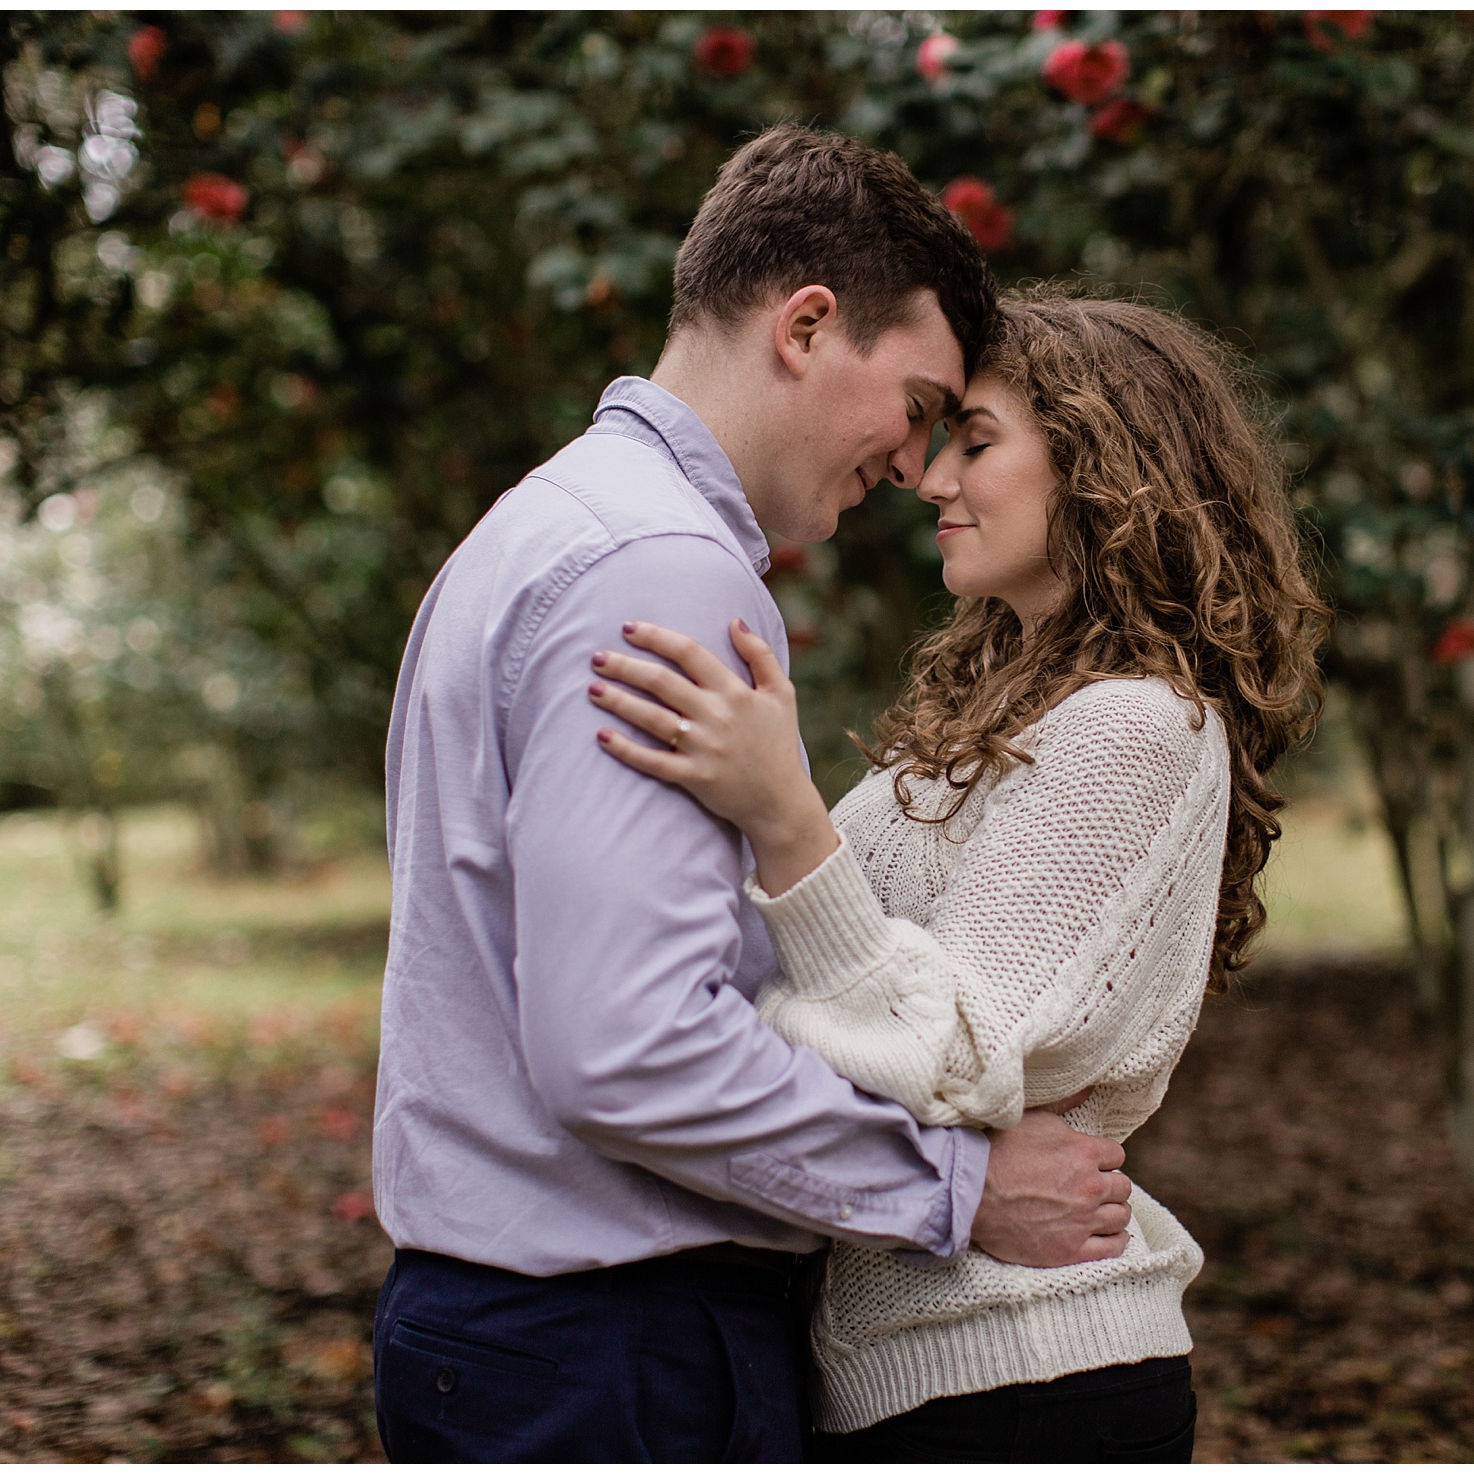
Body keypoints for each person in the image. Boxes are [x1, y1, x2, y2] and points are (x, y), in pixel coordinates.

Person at [369, 129, 1137, 1464]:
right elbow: (630, 1045)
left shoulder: (542, 525)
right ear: (806, 324)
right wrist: (957, 1187)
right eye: (915, 405)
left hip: (519, 1335)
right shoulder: (664, 572)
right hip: (612, 1355)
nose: (913, 465)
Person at [587, 292, 1330, 1460]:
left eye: (974, 442)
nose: (930, 479)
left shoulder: (1137, 727)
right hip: (906, 1374)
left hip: (1027, 1372)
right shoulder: (974, 727)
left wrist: (783, 817)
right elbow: (825, 991)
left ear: (1103, 466)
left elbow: (954, 1050)